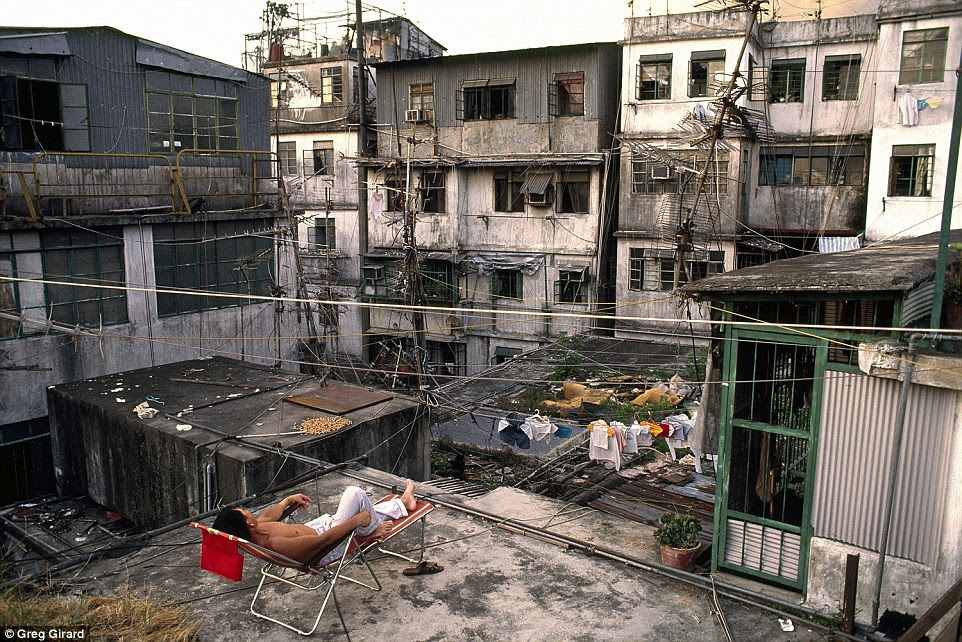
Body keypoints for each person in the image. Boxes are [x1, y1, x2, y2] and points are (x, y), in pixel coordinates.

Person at [212, 480, 418, 565]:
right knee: (355, 494)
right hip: (330, 546)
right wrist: (355, 522)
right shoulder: (275, 545)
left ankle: (402, 502)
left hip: (322, 527)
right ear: (248, 523)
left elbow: (266, 517)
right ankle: (370, 531)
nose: (250, 512)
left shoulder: (254, 530)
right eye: (246, 512)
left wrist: (286, 501)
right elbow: (322, 542)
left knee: (362, 509)